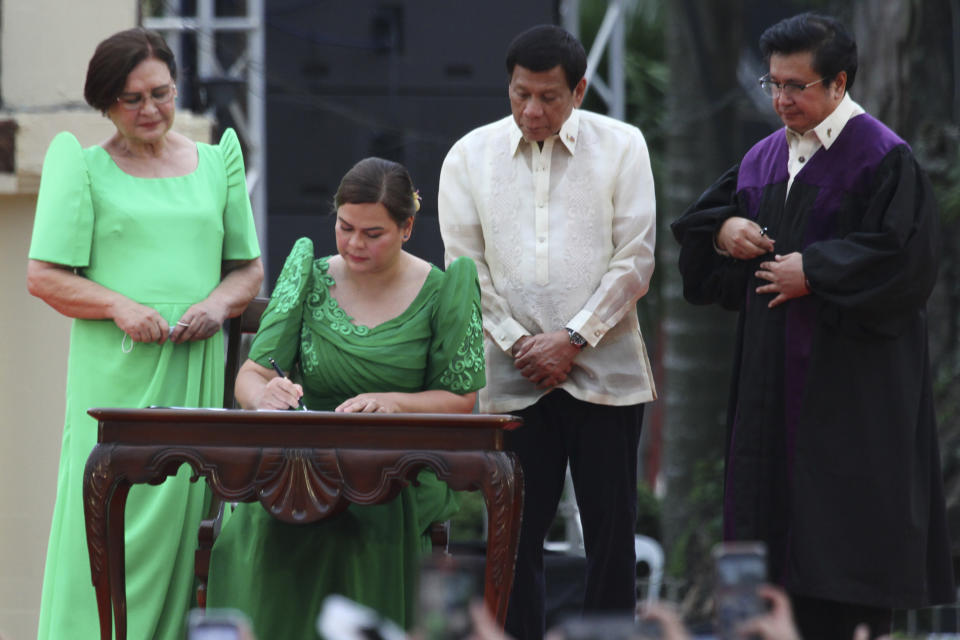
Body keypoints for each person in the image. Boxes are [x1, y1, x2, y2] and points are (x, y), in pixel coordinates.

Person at [670, 12, 954, 640]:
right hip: (768, 388)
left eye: (796, 86)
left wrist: (816, 272)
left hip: (850, 392)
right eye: (772, 84)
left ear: (837, 83)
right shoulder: (762, 158)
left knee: (841, 540)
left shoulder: (880, 158)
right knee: (761, 531)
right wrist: (723, 231)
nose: (780, 99)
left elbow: (907, 264)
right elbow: (700, 232)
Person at [26, 28, 263, 640]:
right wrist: (117, 305)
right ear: (105, 102)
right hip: (115, 376)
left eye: (161, 93)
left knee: (188, 531)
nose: (151, 109)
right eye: (132, 99)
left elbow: (248, 270)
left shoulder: (218, 162)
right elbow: (44, 276)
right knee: (103, 524)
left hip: (194, 364)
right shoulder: (81, 167)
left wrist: (216, 304)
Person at [205, 157, 486, 638]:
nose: (355, 244)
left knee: (359, 526)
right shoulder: (309, 276)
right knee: (268, 527)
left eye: (372, 233)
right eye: (344, 227)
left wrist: (394, 402)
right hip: (299, 467)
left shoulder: (444, 291)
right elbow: (250, 375)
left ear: (406, 227)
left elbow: (461, 401)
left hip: (391, 471)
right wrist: (266, 393)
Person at [438, 24, 657, 640]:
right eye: (520, 95)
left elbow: (636, 259)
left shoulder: (623, 146)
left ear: (580, 90)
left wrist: (574, 338)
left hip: (606, 373)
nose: (532, 111)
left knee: (612, 539)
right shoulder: (469, 155)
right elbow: (464, 268)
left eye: (549, 97)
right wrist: (519, 344)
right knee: (513, 541)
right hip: (510, 377)